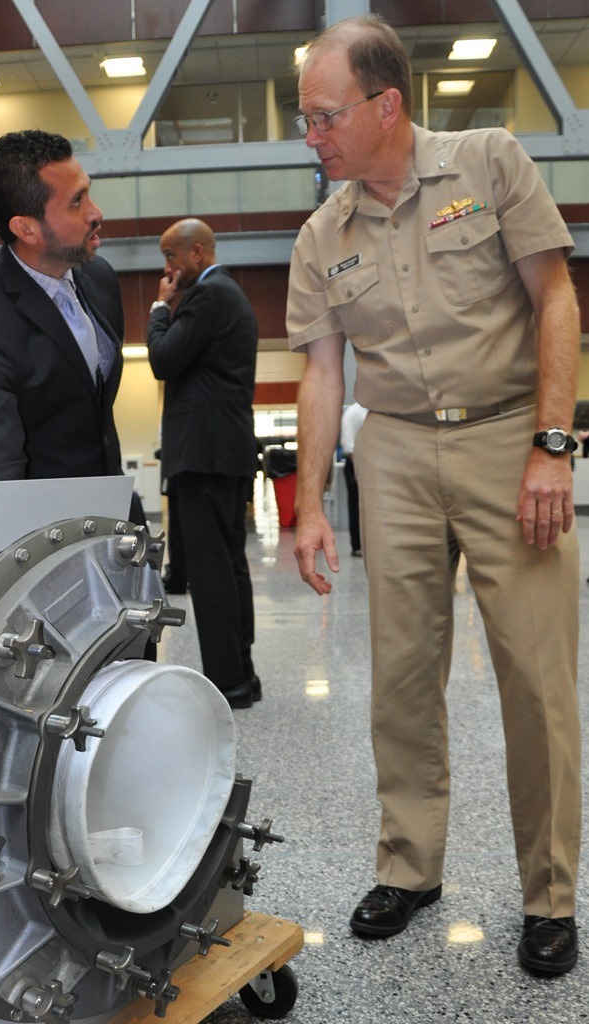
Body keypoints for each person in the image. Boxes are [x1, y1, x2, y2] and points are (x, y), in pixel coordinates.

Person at [287, 15, 581, 975]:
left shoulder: (488, 165)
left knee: (535, 681)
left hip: (508, 443)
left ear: (386, 105)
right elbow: (324, 376)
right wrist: (309, 502)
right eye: (305, 119)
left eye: (326, 117)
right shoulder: (321, 233)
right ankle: (410, 867)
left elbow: (556, 300)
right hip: (399, 456)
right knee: (402, 678)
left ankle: (549, 890)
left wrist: (553, 445)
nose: (311, 136)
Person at [0, 129, 124, 483]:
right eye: (77, 201)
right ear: (26, 229)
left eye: (89, 193)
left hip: (113, 516)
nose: (96, 213)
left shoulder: (99, 279)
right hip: (46, 532)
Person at [147, 218, 260, 709]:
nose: (168, 268)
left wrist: (158, 308)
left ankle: (226, 682)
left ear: (197, 253)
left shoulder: (207, 296)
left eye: (172, 257)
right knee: (231, 566)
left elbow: (164, 358)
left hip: (204, 452)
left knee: (211, 573)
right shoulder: (231, 295)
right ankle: (242, 672)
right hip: (227, 450)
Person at [339, 400, 368, 555]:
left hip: (373, 465)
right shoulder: (353, 412)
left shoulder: (376, 411)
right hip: (355, 463)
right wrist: (359, 468)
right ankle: (357, 545)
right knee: (357, 505)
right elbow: (348, 445)